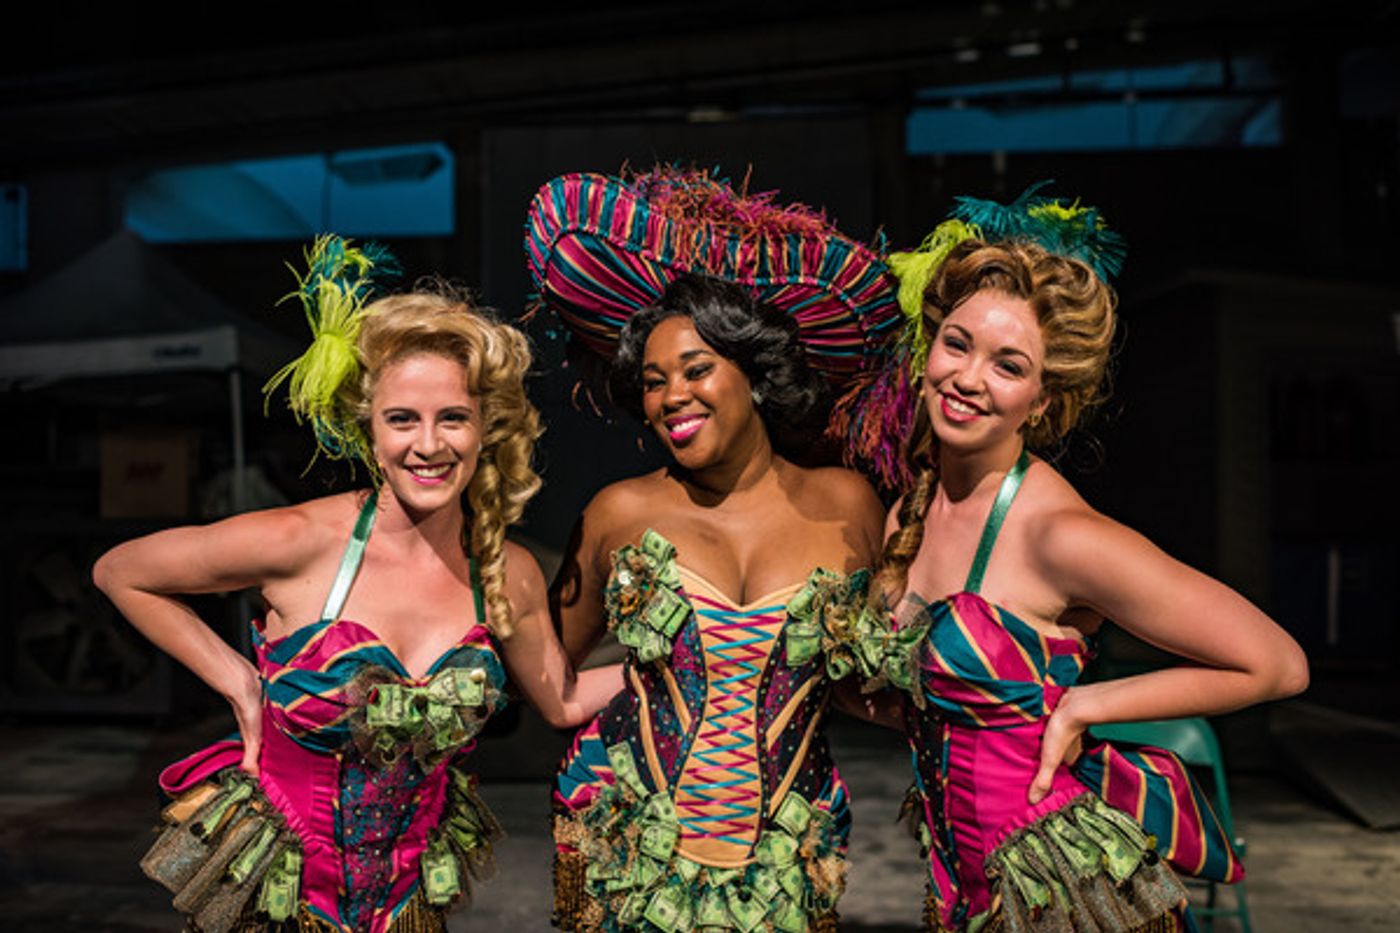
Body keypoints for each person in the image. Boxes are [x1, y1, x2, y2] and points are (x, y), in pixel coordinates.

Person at [93, 238, 622, 933]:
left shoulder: (504, 567)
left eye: (452, 418)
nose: (428, 444)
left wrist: (701, 650)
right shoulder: (300, 541)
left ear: (486, 428)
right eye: (402, 419)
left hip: (408, 905)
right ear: (368, 431)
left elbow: (563, 698)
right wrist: (237, 679)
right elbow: (121, 571)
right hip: (279, 902)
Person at [866, 201, 1309, 931]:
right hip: (964, 890)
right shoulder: (909, 512)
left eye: (1008, 365)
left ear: (1040, 402)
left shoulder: (1059, 535)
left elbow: (1276, 663)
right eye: (957, 344)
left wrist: (1086, 705)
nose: (968, 377)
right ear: (928, 349)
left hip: (1063, 896)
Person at [549, 274, 886, 932]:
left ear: (753, 373)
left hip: (784, 873)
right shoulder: (619, 512)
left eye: (695, 369)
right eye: (652, 381)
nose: (673, 395)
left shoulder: (849, 503)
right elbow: (548, 666)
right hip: (636, 869)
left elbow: (864, 679)